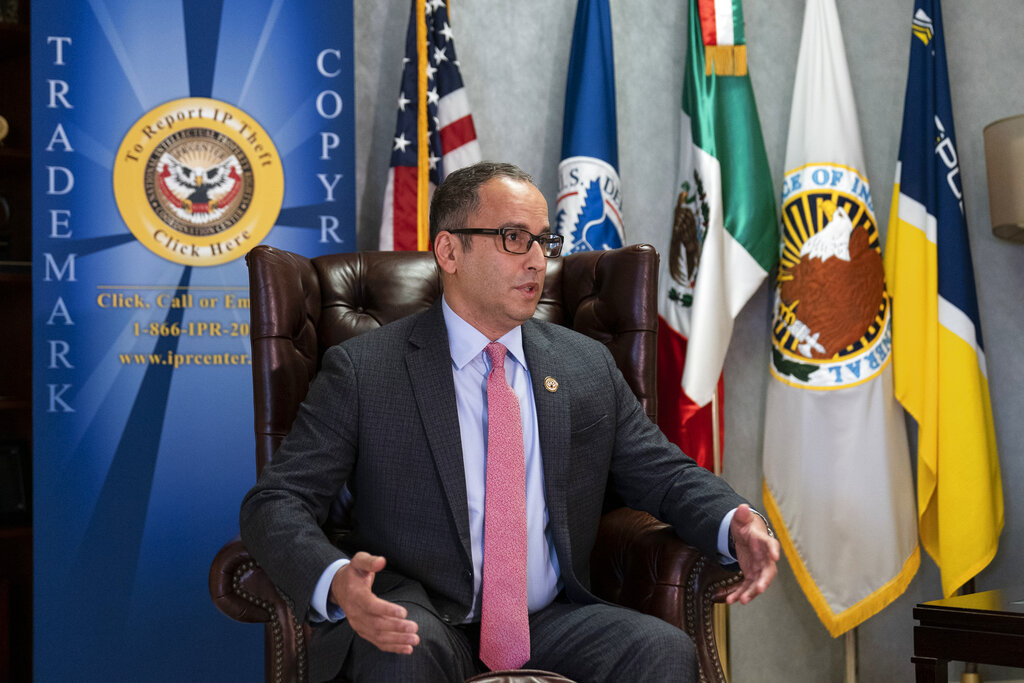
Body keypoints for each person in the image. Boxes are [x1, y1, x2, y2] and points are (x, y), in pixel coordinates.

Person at [240, 161, 779, 683]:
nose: (536, 260)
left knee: (660, 650)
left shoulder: (584, 364)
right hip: (422, 613)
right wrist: (338, 584)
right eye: (513, 238)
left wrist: (735, 519)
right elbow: (276, 502)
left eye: (544, 241)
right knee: (402, 646)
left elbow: (662, 472)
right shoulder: (365, 370)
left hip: (550, 619)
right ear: (449, 250)